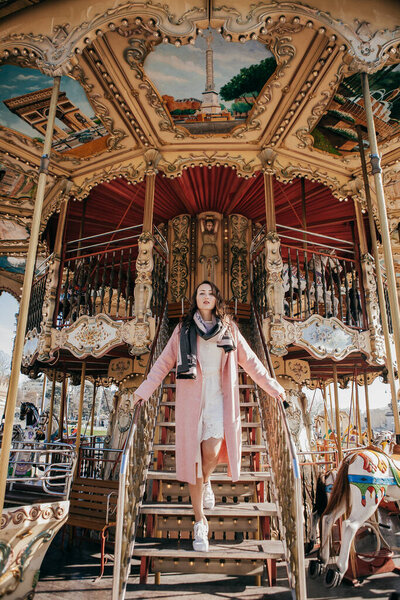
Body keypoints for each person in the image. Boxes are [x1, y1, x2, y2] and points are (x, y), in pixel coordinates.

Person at [134, 280, 286, 552]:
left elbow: (251, 362)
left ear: (217, 299)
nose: (206, 297)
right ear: (196, 298)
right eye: (201, 293)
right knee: (193, 461)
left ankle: (206, 482)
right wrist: (143, 391)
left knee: (212, 454)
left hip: (218, 397)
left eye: (211, 293)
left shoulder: (229, 329)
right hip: (192, 398)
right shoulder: (183, 330)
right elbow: (162, 364)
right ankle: (200, 523)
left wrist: (274, 388)